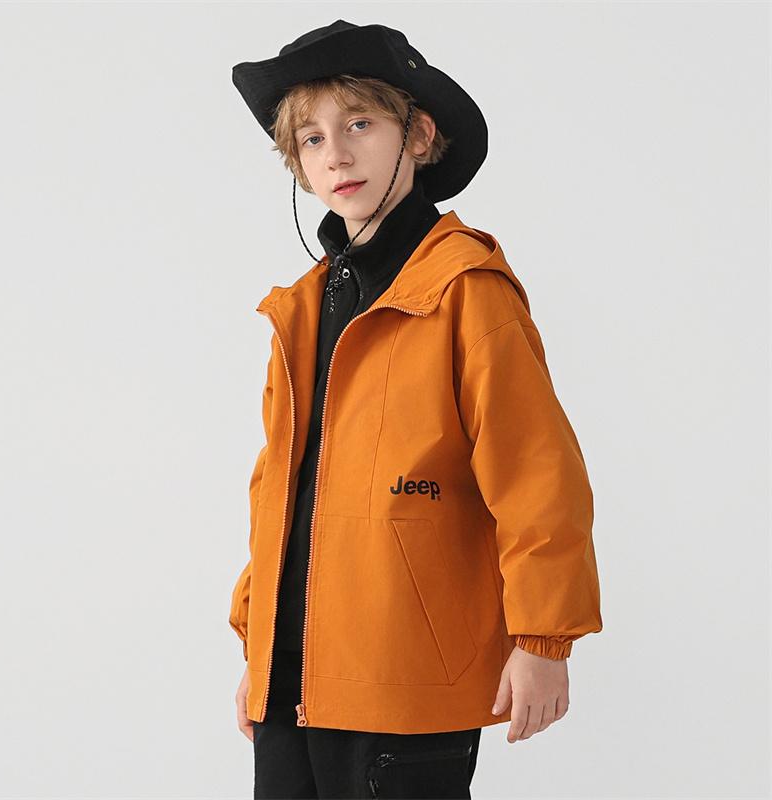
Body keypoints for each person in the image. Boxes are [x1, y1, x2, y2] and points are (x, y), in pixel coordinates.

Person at [228, 19, 603, 799]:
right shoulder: (302, 309)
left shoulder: (466, 291)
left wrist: (544, 638)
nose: (336, 154)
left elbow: (536, 471)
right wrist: (259, 648)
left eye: (359, 124)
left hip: (403, 674)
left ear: (420, 136)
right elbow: (281, 488)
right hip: (292, 677)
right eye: (311, 139)